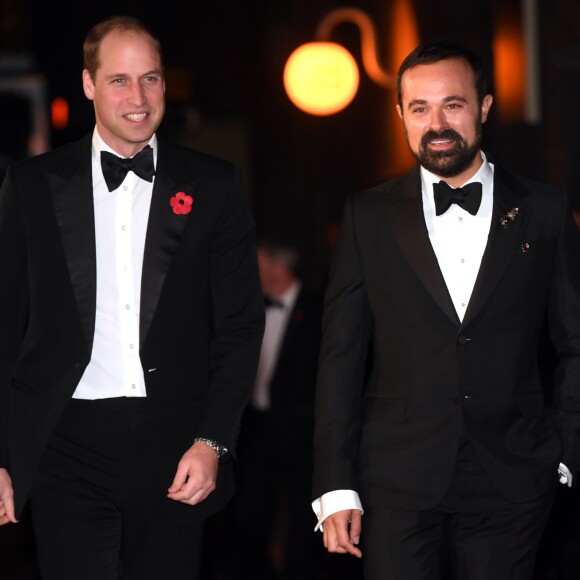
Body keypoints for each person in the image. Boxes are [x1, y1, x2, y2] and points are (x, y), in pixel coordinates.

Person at [0, 15, 264, 580]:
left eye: (151, 78)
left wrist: (213, 440)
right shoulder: (30, 186)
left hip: (174, 447)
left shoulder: (214, 185)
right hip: (63, 444)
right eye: (119, 80)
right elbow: (5, 326)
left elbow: (240, 328)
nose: (139, 97)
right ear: (89, 85)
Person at [312, 41, 580, 580]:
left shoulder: (544, 211)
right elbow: (340, 357)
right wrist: (334, 484)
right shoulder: (366, 215)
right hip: (395, 479)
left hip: (513, 474)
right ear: (401, 116)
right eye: (420, 108)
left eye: (453, 105)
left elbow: (575, 341)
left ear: (483, 107)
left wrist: (566, 446)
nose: (437, 123)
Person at [225, 237, 323, 580]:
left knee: (301, 519)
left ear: (278, 266)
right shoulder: (250, 309)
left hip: (300, 434)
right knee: (250, 512)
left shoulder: (319, 310)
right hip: (254, 429)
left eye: (258, 263)